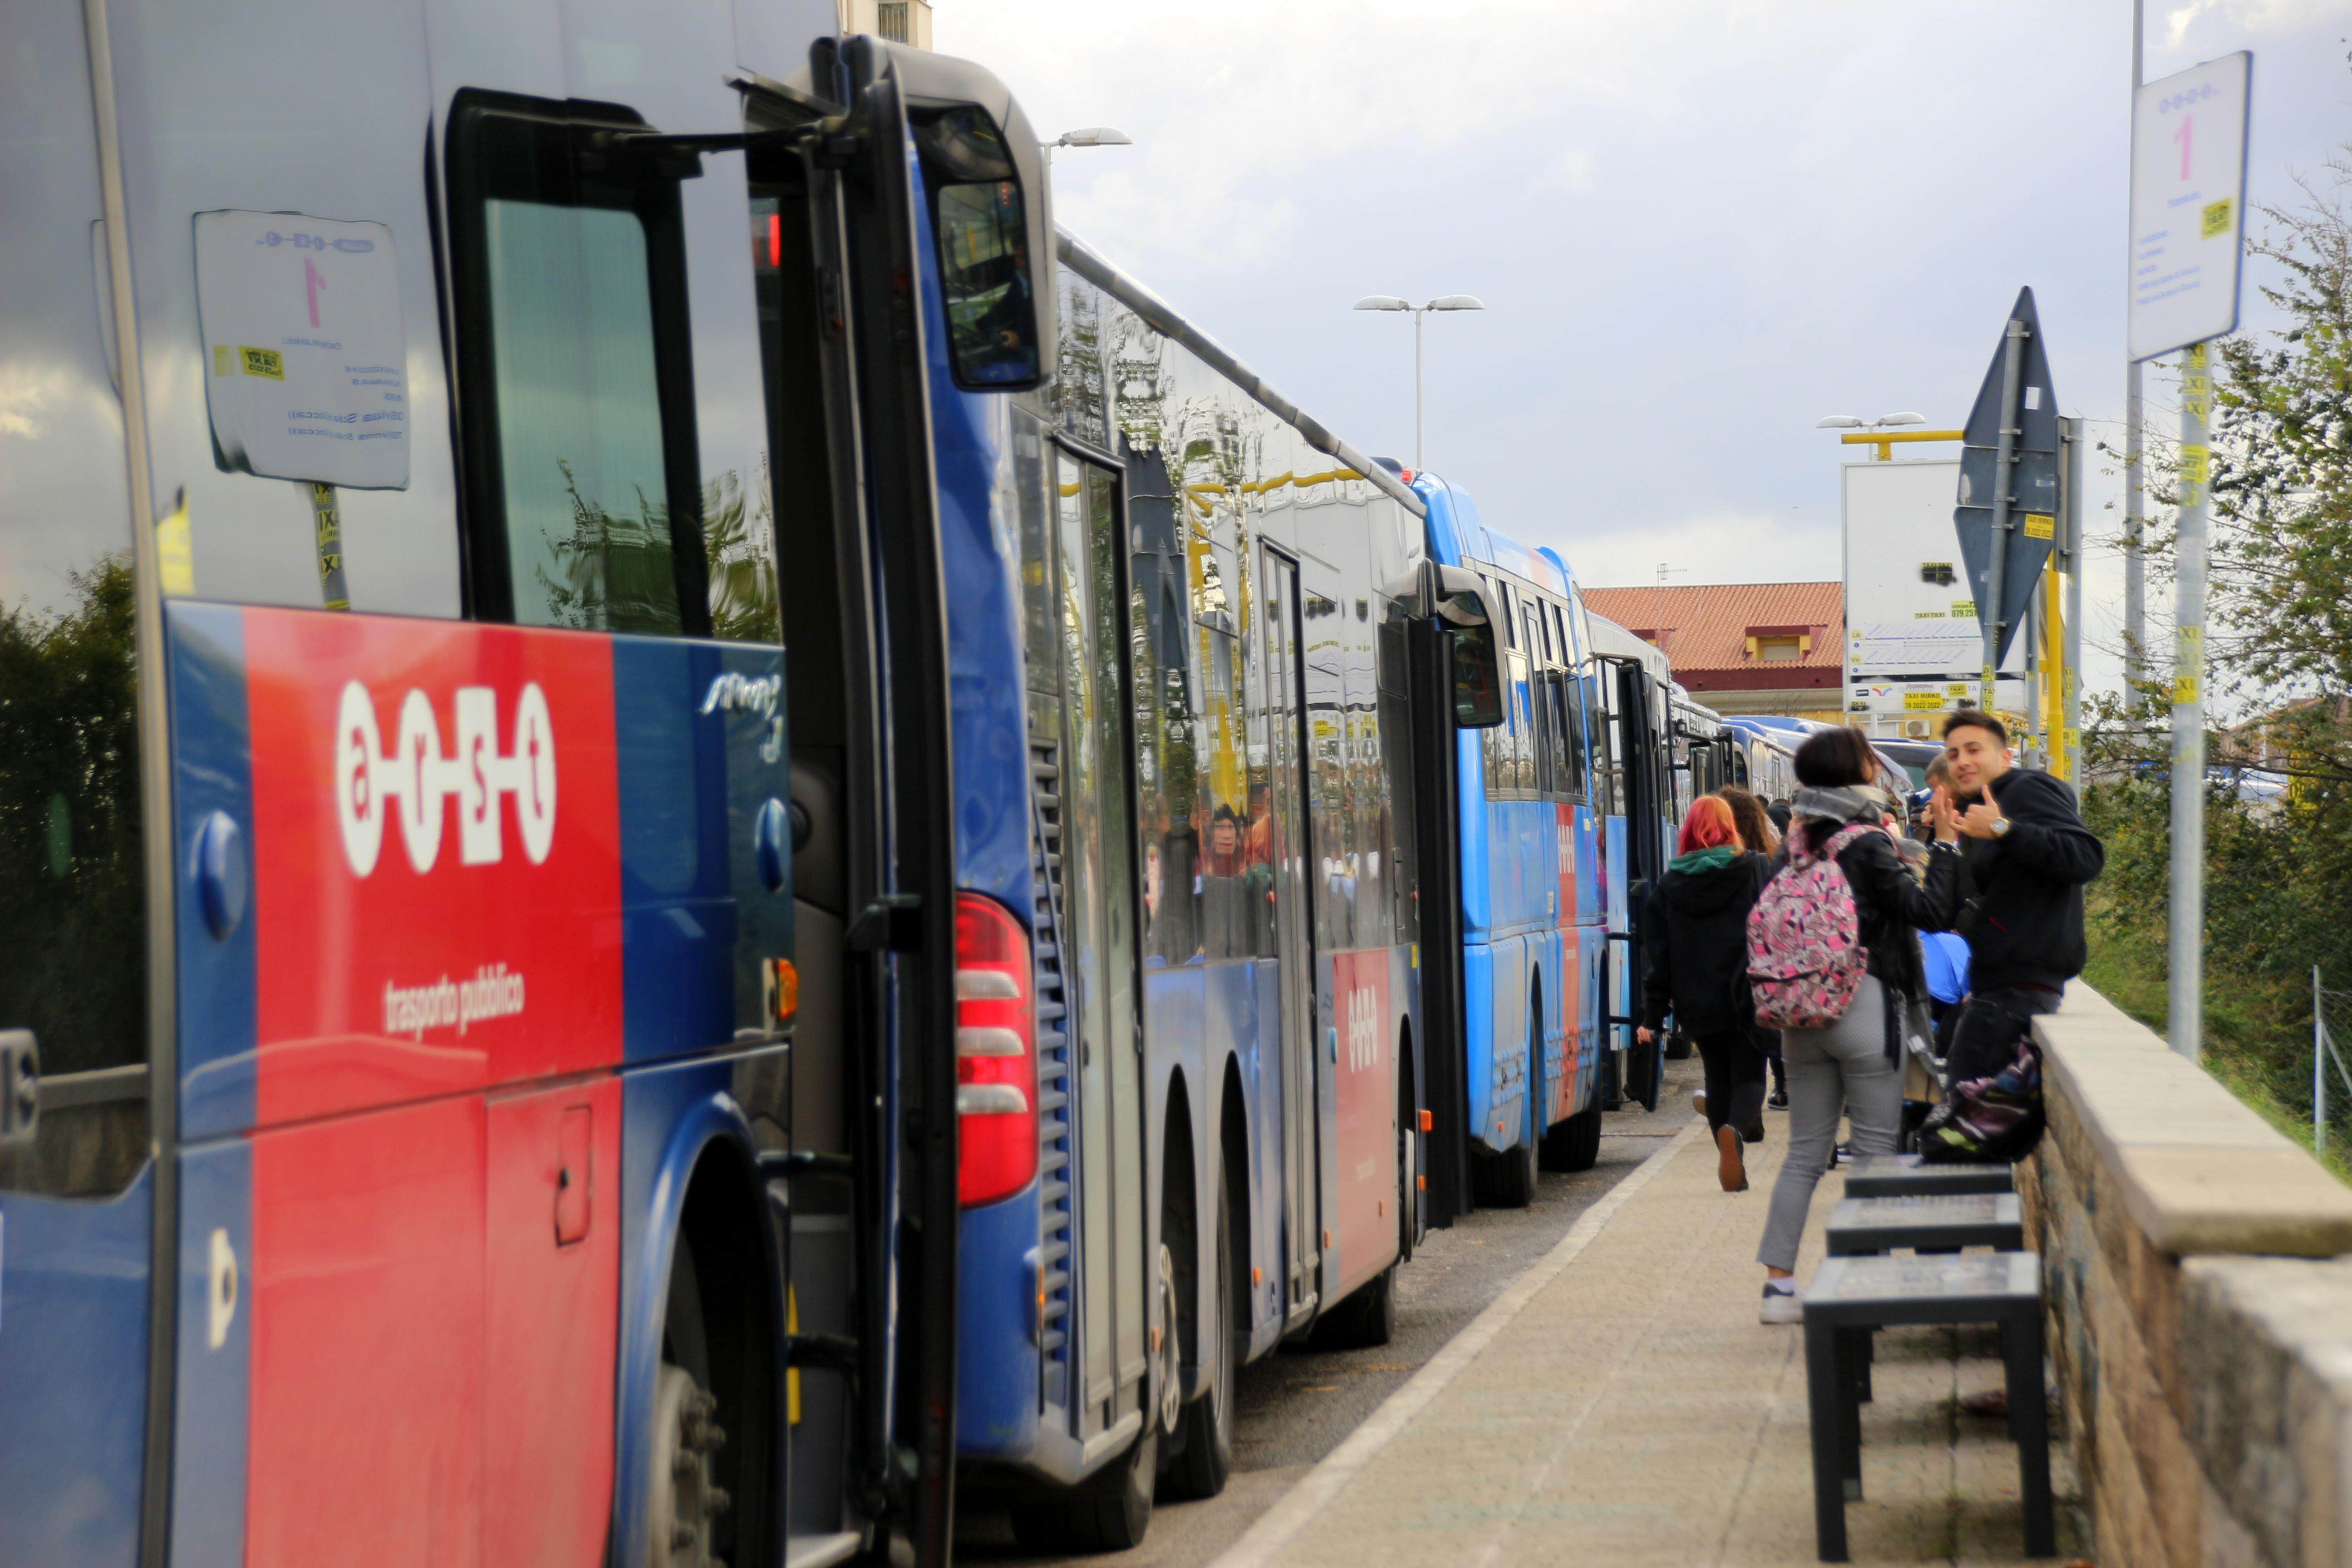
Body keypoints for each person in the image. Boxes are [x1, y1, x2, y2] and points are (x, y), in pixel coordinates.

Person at [1756, 727, 1961, 1324]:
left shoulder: (1794, 844)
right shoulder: (1869, 842)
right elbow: (1931, 914)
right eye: (1872, 759)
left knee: (1803, 1155)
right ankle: (1863, 1285)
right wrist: (1943, 844)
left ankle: (1778, 1291)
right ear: (1857, 770)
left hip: (1800, 1014)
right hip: (1867, 1005)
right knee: (1874, 1151)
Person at [1935, 710, 2105, 1093]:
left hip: (2021, 990)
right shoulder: (1982, 809)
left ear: (2006, 757)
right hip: (1998, 986)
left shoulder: (2023, 791)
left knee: (1967, 1121)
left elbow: (2086, 857)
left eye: (1973, 749)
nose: (1962, 761)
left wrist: (2001, 828)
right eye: (1954, 753)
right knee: (1973, 1116)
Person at [1637, 797, 1772, 1193]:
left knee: (1717, 1078)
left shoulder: (1668, 885)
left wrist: (1653, 1015)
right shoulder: (1755, 869)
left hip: (1697, 999)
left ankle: (1728, 1153)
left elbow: (1658, 957)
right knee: (1750, 1076)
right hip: (1747, 993)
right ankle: (1735, 1131)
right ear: (1731, 828)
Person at [1716, 785, 1788, 1108]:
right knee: (1760, 1047)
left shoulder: (1703, 868)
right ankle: (1773, 1093)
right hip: (1761, 969)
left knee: (1720, 1062)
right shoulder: (1770, 864)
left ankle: (1734, 1113)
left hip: (1719, 975)